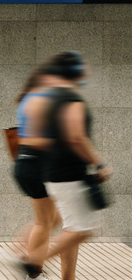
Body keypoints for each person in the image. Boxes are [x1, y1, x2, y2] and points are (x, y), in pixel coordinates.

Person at [40, 51, 112, 280]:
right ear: (74, 71)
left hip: (55, 174)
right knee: (82, 231)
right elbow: (76, 137)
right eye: (83, 66)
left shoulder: (52, 99)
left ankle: (67, 278)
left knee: (71, 229)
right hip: (70, 175)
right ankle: (32, 260)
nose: (86, 70)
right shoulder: (72, 98)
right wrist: (99, 163)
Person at [13, 64, 63, 279]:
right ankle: (33, 269)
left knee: (55, 220)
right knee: (45, 223)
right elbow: (35, 139)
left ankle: (23, 252)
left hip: (32, 165)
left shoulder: (29, 99)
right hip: (37, 166)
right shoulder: (38, 99)